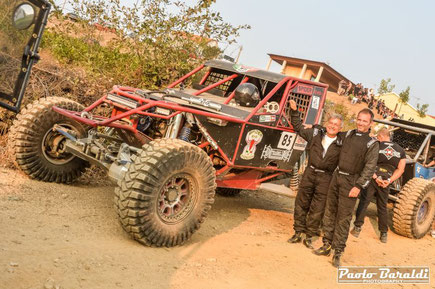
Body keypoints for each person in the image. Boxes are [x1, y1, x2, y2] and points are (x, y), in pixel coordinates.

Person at [313, 108, 379, 267]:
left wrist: (358, 186)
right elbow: (332, 130)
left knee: (344, 218)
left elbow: (370, 168)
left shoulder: (372, 143)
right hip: (337, 177)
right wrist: (316, 128)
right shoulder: (348, 134)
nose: (361, 123)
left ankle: (338, 252)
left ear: (370, 123)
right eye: (359, 119)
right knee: (329, 213)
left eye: (365, 121)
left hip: (352, 182)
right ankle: (326, 244)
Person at [287, 100, 344, 249]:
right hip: (310, 173)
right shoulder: (315, 134)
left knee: (317, 208)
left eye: (336, 125)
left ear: (340, 128)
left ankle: (309, 236)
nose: (332, 126)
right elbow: (298, 127)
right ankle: (297, 232)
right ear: (326, 123)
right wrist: (294, 111)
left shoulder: (343, 142)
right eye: (331, 123)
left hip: (326, 177)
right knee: (301, 203)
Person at [350, 127, 406, 243]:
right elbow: (401, 170)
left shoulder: (376, 145)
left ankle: (357, 228)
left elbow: (367, 162)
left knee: (364, 202)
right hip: (387, 180)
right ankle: (383, 234)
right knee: (382, 206)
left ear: (380, 136)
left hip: (373, 177)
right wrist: (388, 180)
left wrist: (375, 177)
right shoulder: (401, 150)